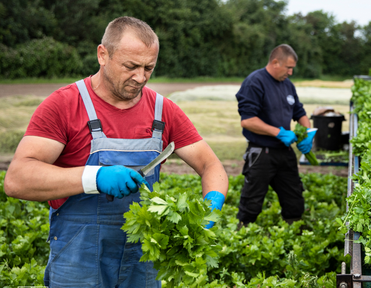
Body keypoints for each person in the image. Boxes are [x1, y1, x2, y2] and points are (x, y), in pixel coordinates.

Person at [4, 16, 229, 287]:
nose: (140, 77)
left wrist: (211, 206)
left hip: (144, 258)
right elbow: (17, 179)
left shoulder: (163, 110)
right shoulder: (63, 105)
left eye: (149, 67)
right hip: (79, 258)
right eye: (130, 66)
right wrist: (95, 178)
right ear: (103, 54)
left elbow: (211, 166)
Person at [235, 44, 315, 227]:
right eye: (288, 67)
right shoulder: (255, 82)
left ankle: (293, 233)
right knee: (251, 202)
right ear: (275, 62)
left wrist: (308, 133)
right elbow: (247, 121)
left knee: (294, 199)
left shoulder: (288, 85)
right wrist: (278, 132)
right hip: (261, 153)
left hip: (284, 153)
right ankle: (242, 236)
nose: (291, 72)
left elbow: (300, 113)